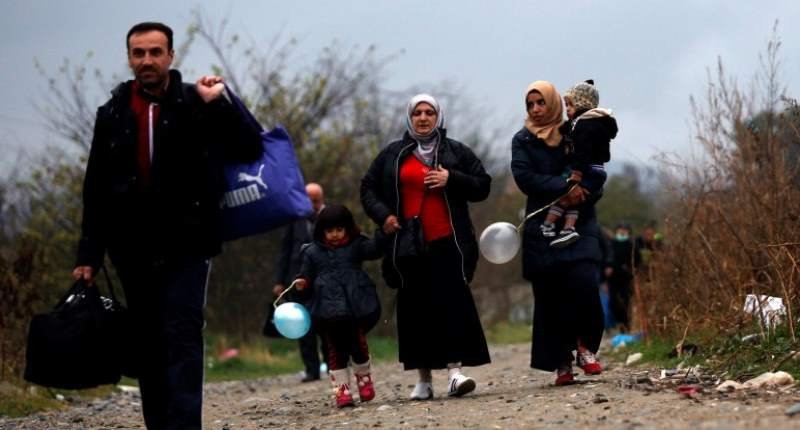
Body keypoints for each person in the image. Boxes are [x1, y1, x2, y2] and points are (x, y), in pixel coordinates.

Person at [71, 22, 262, 429]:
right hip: (131, 247)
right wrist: (89, 253)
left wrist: (221, 102)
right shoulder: (113, 113)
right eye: (138, 53)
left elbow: (250, 145)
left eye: (155, 52)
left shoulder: (198, 101)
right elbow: (96, 188)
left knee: (182, 333)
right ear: (129, 58)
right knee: (148, 343)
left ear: (171, 56)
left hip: (188, 244)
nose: (147, 61)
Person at [361, 94, 491, 400]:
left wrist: (452, 177)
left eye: (429, 112)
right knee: (416, 311)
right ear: (409, 118)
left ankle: (455, 374)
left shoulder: (455, 150)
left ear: (438, 116)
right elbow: (367, 188)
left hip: (448, 241)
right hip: (408, 245)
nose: (423, 117)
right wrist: (384, 216)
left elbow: (483, 184)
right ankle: (423, 380)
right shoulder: (393, 153)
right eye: (417, 112)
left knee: (452, 306)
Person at [510, 81, 605, 386]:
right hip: (543, 226)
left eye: (540, 103)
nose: (536, 110)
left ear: (552, 104)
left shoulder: (577, 132)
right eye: (530, 105)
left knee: (584, 283)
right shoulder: (522, 140)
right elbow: (526, 178)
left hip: (581, 221)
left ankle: (586, 346)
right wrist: (564, 188)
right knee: (551, 298)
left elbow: (596, 170)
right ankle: (561, 362)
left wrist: (584, 192)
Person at [293, 204, 384, 408]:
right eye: (329, 230)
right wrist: (302, 283)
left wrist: (383, 232)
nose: (334, 235)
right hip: (328, 312)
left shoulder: (356, 245)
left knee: (358, 345)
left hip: (355, 306)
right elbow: (305, 274)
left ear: (347, 228)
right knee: (336, 351)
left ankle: (364, 381)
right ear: (322, 231)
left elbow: (375, 249)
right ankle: (342, 391)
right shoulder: (312, 252)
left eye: (339, 229)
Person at [541, 80, 618, 248]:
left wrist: (576, 175)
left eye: (569, 105)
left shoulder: (586, 126)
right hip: (596, 171)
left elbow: (583, 153)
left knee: (566, 197)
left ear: (582, 104)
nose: (566, 109)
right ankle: (566, 229)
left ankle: (551, 225)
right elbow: (567, 128)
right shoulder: (588, 122)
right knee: (575, 200)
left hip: (587, 170)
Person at [272, 182, 327, 382]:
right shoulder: (294, 218)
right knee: (303, 324)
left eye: (316, 200)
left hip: (323, 278)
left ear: (322, 199)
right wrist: (279, 280)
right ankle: (311, 369)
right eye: (309, 200)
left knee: (326, 323)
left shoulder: (331, 217)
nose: (312, 204)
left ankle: (332, 366)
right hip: (297, 279)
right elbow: (284, 251)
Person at [607, 222, 642, 333]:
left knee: (626, 302)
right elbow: (605, 258)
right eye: (620, 229)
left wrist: (632, 270)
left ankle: (626, 325)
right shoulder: (610, 244)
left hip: (626, 279)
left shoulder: (632, 244)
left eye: (625, 229)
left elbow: (638, 261)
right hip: (612, 279)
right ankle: (618, 323)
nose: (622, 231)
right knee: (613, 302)